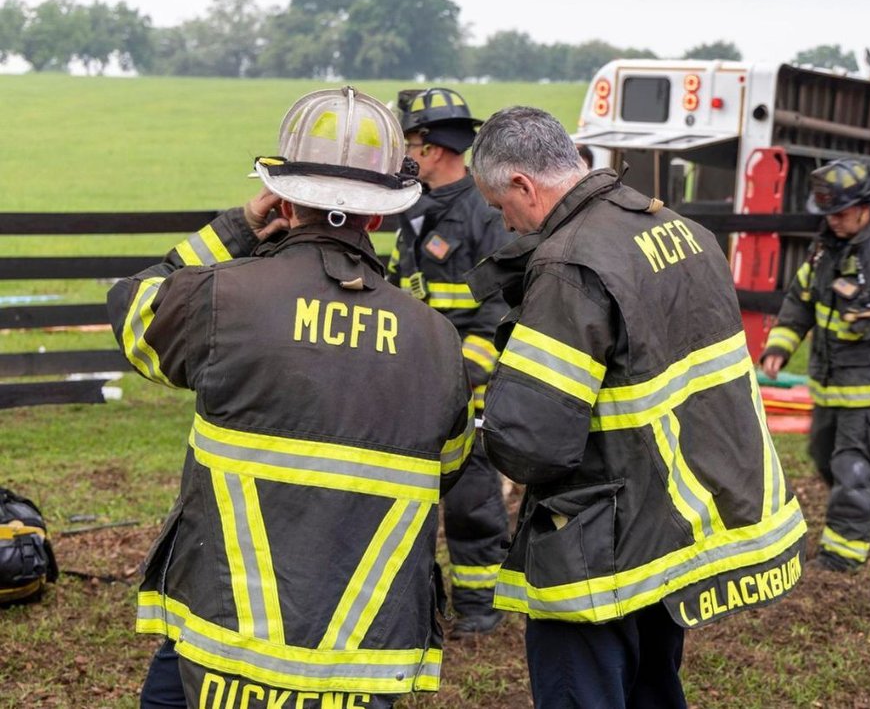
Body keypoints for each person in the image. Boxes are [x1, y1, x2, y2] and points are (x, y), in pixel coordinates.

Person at [111, 87, 473, 709]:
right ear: (380, 216)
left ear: (282, 199)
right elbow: (450, 465)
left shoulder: (223, 301)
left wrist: (236, 228)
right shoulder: (437, 342)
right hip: (361, 663)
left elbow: (132, 308)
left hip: (221, 648)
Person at [465, 106, 807, 708]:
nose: (507, 223)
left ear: (523, 184)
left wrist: (482, 422)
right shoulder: (681, 231)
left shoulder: (569, 265)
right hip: (671, 528)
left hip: (599, 542)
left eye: (500, 207)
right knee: (653, 688)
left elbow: (532, 441)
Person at [759, 158, 870, 573]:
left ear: (866, 206)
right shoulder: (825, 249)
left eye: (840, 213)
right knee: (826, 458)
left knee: (852, 467)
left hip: (869, 389)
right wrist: (779, 347)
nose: (833, 221)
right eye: (828, 214)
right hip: (829, 386)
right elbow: (800, 300)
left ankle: (841, 559)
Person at [387, 87, 513, 638]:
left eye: (411, 142)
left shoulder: (484, 214)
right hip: (412, 383)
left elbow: (501, 308)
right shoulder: (410, 208)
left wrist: (466, 373)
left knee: (471, 501)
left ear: (435, 148)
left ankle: (479, 608)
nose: (405, 153)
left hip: (470, 387)